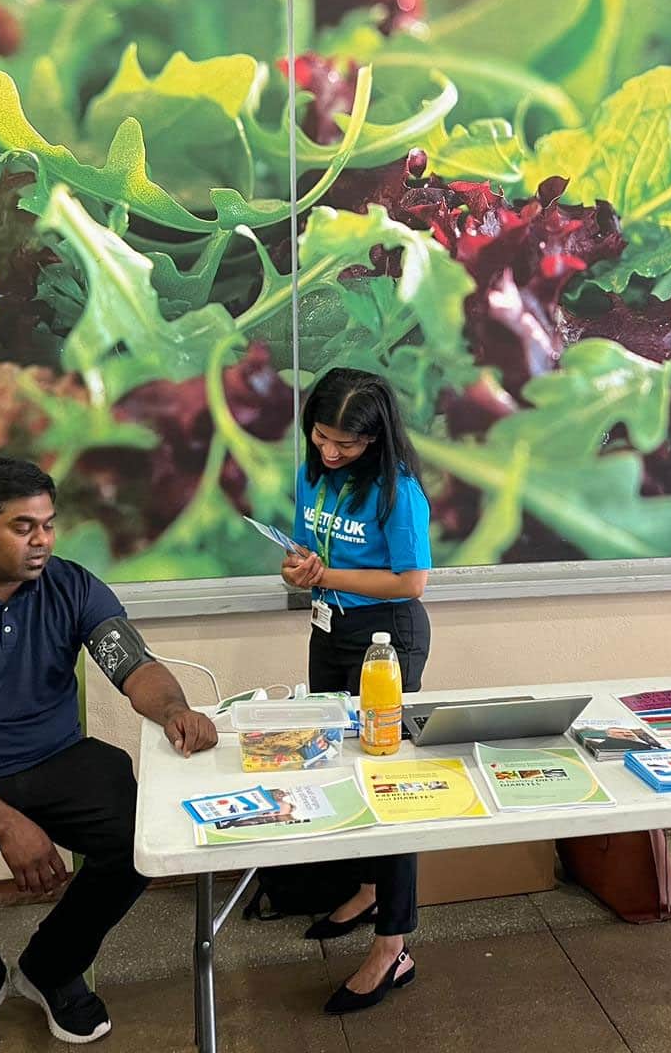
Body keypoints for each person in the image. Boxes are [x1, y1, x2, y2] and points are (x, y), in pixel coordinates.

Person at [0, 457, 218, 1053]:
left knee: (141, 843)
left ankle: (51, 967)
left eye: (49, 525)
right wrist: (10, 825)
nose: (42, 541)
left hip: (57, 758)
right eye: (23, 527)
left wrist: (173, 710)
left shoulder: (72, 586)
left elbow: (133, 665)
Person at [280, 368, 431, 1014]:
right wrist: (297, 569)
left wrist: (326, 575)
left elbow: (411, 583)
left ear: (377, 437)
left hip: (387, 639)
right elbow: (302, 553)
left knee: (386, 781)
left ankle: (394, 944)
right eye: (321, 437)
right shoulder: (313, 475)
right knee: (338, 763)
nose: (330, 451)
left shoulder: (399, 491)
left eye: (346, 443)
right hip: (331, 628)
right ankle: (367, 888)